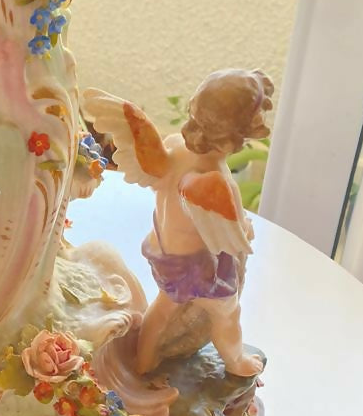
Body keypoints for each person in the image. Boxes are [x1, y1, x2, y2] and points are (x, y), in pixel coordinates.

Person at [82, 69, 273, 377]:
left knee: (161, 310)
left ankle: (143, 362)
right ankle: (236, 361)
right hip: (200, 267)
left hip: (165, 255)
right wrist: (243, 231)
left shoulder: (172, 147)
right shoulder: (215, 182)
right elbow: (234, 233)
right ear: (236, 137)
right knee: (227, 313)